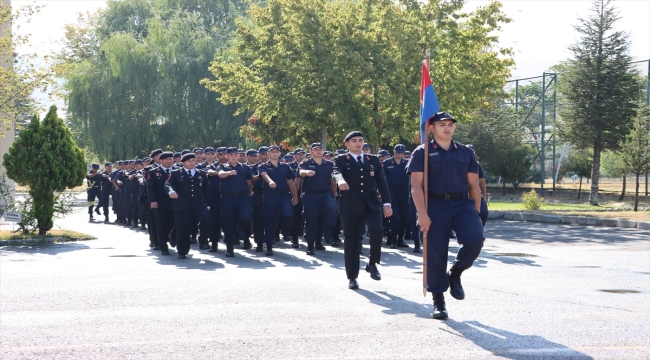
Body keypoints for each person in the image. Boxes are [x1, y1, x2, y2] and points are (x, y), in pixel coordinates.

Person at [407, 111, 485, 320]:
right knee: (435, 253)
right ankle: (438, 301)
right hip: (434, 204)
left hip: (462, 203)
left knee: (475, 239)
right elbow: (416, 185)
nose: (447, 128)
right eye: (442, 124)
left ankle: (456, 273)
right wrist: (422, 214)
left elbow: (474, 185)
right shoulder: (421, 153)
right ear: (432, 128)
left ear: (454, 128)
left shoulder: (465, 152)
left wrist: (476, 213)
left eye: (450, 124)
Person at [333, 131, 392, 290]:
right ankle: (352, 276)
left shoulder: (372, 160)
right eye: (354, 141)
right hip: (350, 204)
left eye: (360, 140)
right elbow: (335, 172)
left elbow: (382, 182)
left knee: (377, 230)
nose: (358, 143)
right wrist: (340, 181)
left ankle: (372, 264)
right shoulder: (340, 159)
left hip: (371, 204)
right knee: (352, 240)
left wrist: (387, 203)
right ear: (347, 144)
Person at [165, 153, 211, 259]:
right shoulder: (176, 173)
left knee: (207, 219)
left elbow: (207, 191)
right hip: (182, 205)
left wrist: (208, 204)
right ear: (183, 162)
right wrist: (171, 191)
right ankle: (182, 251)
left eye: (193, 161)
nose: (191, 163)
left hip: (199, 204)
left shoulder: (201, 174)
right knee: (184, 228)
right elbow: (168, 184)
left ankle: (203, 240)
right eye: (189, 161)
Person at [258, 145, 299, 256]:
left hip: (284, 195)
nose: (275, 153)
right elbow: (264, 175)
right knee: (270, 220)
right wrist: (270, 181)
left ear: (279, 154)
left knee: (288, 214)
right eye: (272, 152)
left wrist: (295, 197)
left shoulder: (285, 167)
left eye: (277, 152)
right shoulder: (263, 166)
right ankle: (269, 245)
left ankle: (284, 229)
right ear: (268, 154)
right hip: (270, 195)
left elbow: (291, 182)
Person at [299, 143, 338, 255]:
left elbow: (333, 179)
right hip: (310, 195)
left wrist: (334, 191)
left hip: (325, 194)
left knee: (332, 207)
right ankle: (311, 244)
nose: (318, 151)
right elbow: (301, 172)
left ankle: (328, 230)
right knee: (312, 219)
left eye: (320, 149)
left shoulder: (329, 164)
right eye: (315, 149)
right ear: (311, 152)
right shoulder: (306, 163)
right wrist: (307, 172)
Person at [218, 147, 254, 257]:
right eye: (231, 155)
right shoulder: (222, 166)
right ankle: (229, 248)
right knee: (228, 223)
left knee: (246, 216)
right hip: (227, 198)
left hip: (243, 197)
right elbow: (220, 174)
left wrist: (250, 193)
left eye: (235, 154)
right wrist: (229, 173)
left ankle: (243, 231)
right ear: (226, 156)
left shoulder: (245, 167)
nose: (233, 156)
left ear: (238, 156)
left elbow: (249, 181)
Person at [383, 144, 410, 249]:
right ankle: (393, 240)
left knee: (404, 216)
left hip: (404, 191)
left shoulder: (408, 163)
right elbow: (382, 179)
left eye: (402, 152)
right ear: (394, 151)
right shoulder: (387, 163)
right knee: (395, 217)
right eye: (398, 152)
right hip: (391, 191)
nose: (400, 154)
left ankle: (400, 240)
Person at [148, 152, 175, 255]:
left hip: (175, 203)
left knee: (175, 223)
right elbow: (151, 188)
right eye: (166, 159)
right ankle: (163, 247)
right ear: (161, 160)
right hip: (160, 203)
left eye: (170, 159)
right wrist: (152, 200)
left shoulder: (177, 171)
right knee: (161, 225)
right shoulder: (153, 172)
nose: (168, 161)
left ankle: (173, 236)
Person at [467, 145, 489, 227]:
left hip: (475, 193)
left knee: (483, 212)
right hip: (462, 194)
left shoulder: (476, 165)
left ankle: (480, 228)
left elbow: (482, 181)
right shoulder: (459, 163)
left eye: (472, 152)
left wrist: (484, 194)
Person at [250, 147, 267, 251]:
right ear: (259, 155)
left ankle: (270, 240)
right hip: (258, 194)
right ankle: (259, 242)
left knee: (272, 218)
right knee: (257, 219)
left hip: (272, 195)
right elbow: (251, 178)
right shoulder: (253, 167)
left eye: (266, 153)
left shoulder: (277, 166)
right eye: (262, 154)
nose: (265, 155)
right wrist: (260, 174)